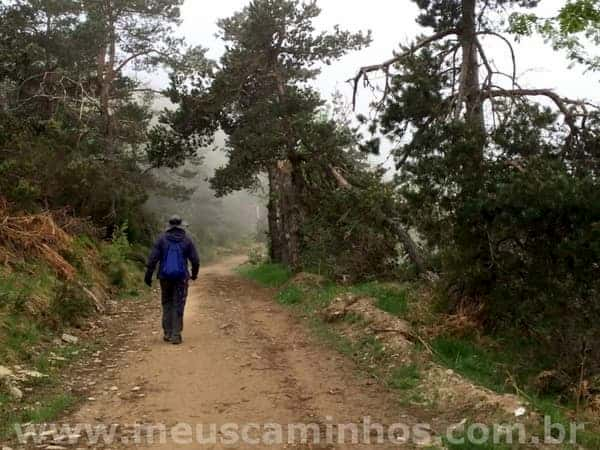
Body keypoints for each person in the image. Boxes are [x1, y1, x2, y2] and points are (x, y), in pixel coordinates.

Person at [145, 215, 200, 345]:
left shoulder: (161, 239)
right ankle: (176, 335)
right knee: (178, 304)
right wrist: (194, 274)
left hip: (164, 277)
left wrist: (148, 275)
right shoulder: (187, 240)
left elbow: (153, 259)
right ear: (181, 225)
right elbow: (195, 260)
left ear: (169, 226)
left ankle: (167, 333)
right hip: (181, 278)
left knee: (167, 303)